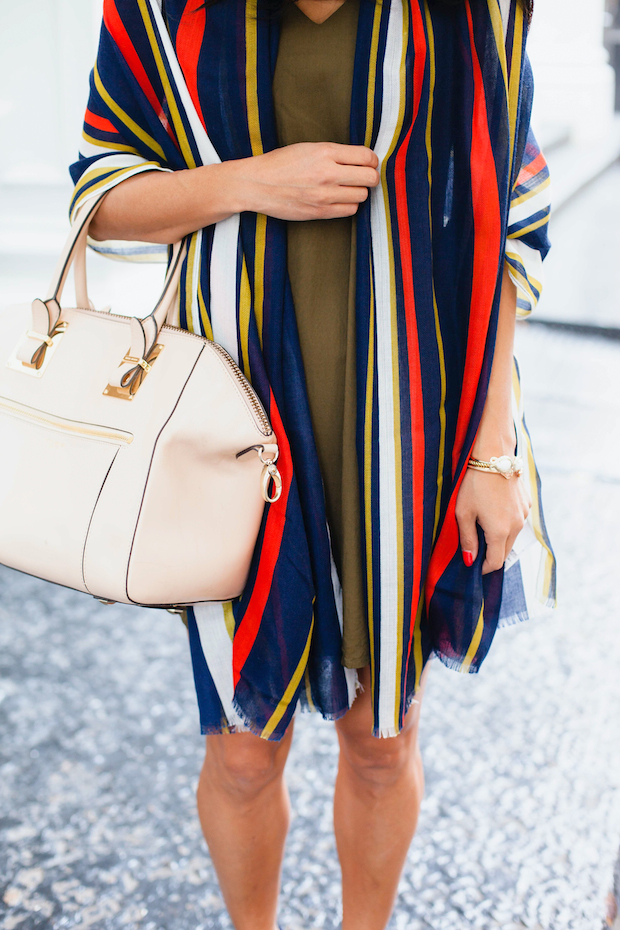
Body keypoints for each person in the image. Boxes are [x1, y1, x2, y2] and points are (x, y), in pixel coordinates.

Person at [70, 0, 555, 927]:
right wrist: (250, 182)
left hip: (414, 416)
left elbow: (510, 221)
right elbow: (102, 197)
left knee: (383, 739)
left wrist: (495, 447)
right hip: (232, 422)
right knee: (245, 748)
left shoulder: (469, 13)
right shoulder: (162, 9)